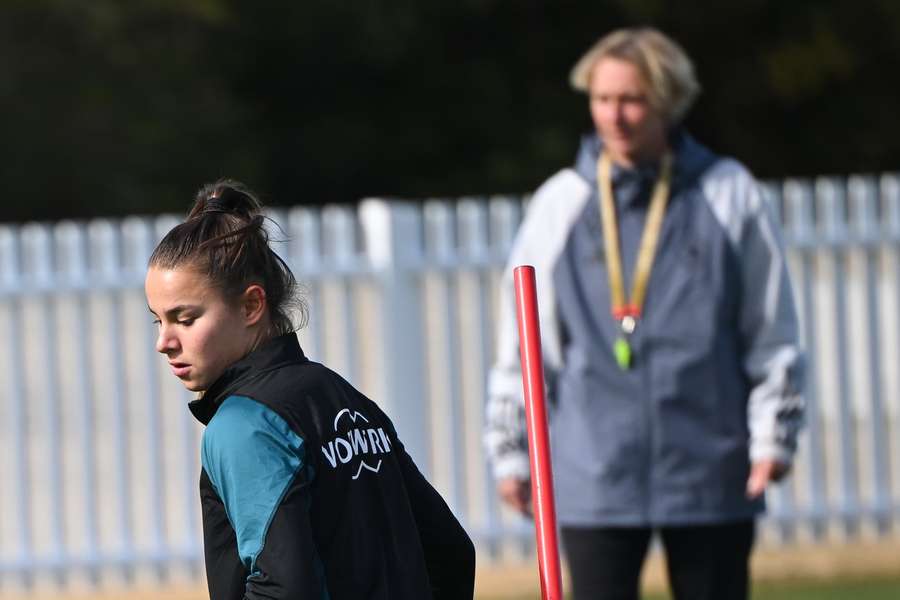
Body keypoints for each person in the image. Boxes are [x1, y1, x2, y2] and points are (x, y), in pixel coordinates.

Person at [484, 27, 804, 600]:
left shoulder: (730, 194)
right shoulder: (560, 203)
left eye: (632, 100)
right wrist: (510, 448)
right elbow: (524, 346)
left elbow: (770, 328)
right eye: (603, 100)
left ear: (669, 102)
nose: (616, 116)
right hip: (595, 469)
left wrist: (772, 439)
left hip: (709, 465)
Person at [145, 180, 475, 600]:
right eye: (159, 321)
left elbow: (285, 588)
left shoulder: (243, 426)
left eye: (185, 319)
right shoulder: (347, 399)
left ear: (251, 305)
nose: (164, 342)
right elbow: (450, 553)